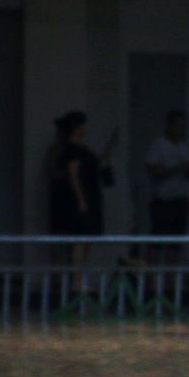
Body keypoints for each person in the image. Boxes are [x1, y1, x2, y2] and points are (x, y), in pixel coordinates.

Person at [49, 112, 113, 281]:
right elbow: (73, 174)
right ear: (76, 128)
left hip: (90, 197)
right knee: (79, 239)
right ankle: (76, 281)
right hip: (80, 201)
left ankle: (79, 278)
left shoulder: (81, 150)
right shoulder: (72, 150)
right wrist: (81, 199)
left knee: (86, 241)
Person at [145, 109, 189, 264]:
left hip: (180, 199)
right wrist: (177, 167)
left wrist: (188, 168)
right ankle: (154, 278)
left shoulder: (183, 146)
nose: (180, 130)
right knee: (158, 240)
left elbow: (188, 172)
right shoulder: (159, 146)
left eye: (182, 127)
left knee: (176, 241)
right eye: (177, 126)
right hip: (162, 199)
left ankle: (171, 281)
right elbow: (152, 170)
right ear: (169, 126)